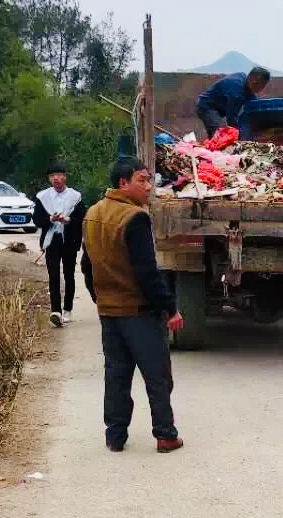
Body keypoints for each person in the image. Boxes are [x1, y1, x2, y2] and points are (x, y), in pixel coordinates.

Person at [81, 157, 185, 453]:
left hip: (109, 312)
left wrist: (100, 299)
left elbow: (87, 266)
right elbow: (147, 273)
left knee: (116, 375)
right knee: (157, 376)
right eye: (142, 180)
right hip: (138, 313)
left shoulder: (92, 214)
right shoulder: (134, 218)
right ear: (122, 183)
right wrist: (170, 308)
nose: (148, 187)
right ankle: (165, 435)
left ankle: (115, 437)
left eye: (149, 180)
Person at [33, 162, 86, 328]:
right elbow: (36, 220)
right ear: (49, 179)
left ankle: (68, 308)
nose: (56, 178)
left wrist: (68, 219)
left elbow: (83, 219)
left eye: (59, 175)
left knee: (69, 275)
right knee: (53, 275)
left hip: (70, 240)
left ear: (65, 176)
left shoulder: (75, 197)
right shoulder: (43, 197)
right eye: (52, 176)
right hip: (51, 241)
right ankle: (55, 311)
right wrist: (50, 219)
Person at [195, 66, 271, 138]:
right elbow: (231, 118)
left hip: (219, 108)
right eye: (257, 86)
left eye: (262, 87)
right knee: (218, 133)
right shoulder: (236, 89)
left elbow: (254, 105)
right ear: (251, 80)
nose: (259, 90)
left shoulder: (246, 82)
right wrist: (239, 136)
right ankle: (215, 149)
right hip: (207, 106)